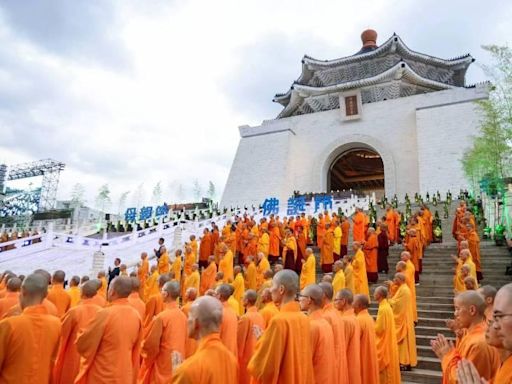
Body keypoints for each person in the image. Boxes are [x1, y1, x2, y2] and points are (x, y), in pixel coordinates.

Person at [248, 270, 315, 383]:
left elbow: (264, 368)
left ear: (281, 289)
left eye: (273, 285)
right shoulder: (304, 318)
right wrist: (265, 339)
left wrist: (261, 343)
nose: (270, 289)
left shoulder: (278, 321)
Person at [75, 276, 143, 383]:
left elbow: (84, 345)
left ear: (112, 292)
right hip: (124, 373)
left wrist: (80, 333)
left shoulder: (105, 314)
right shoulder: (136, 315)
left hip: (103, 374)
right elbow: (136, 348)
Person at [0, 274, 61, 383]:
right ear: (46, 294)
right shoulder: (56, 324)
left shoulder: (9, 324)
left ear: (22, 291)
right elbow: (52, 361)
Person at [431, 291, 500, 383]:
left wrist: (446, 356)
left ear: (472, 310)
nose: (455, 314)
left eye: (457, 309)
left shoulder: (478, 344)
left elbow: (462, 380)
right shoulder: (470, 333)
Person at [172, 296, 238, 383]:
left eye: (189, 317)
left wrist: (177, 373)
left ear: (196, 323)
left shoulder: (189, 369)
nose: (187, 320)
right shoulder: (232, 361)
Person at [53, 281, 102, 384]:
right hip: (93, 352)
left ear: (82, 293)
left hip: (73, 351)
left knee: (71, 375)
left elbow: (62, 331)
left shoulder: (74, 311)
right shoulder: (101, 312)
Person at [139, 281, 187, 384]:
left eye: (162, 291)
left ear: (166, 294)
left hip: (163, 362)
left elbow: (151, 346)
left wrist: (142, 348)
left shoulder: (162, 317)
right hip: (178, 360)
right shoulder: (183, 316)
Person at [299, 284, 335, 384]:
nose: (299, 299)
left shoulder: (311, 325)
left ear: (309, 300)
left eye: (301, 296)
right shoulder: (325, 323)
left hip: (314, 378)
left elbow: (304, 361)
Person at [319, 282, 349, 384]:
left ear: (323, 295)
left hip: (329, 363)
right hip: (337, 360)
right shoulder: (335, 312)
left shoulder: (326, 316)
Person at [388, 273, 417, 371]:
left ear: (400, 279)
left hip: (402, 320)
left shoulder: (404, 290)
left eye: (395, 278)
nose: (394, 279)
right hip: (403, 318)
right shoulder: (402, 288)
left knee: (402, 342)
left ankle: (404, 362)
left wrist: (388, 301)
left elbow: (398, 305)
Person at [237, 290, 265, 384]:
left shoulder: (245, 318)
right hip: (256, 355)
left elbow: (239, 343)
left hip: (246, 359)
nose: (241, 300)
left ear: (246, 301)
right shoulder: (260, 315)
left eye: (242, 298)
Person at [374, 286, 400, 384]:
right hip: (388, 340)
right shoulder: (386, 306)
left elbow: (380, 329)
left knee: (384, 374)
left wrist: (372, 324)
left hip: (384, 342)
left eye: (375, 293)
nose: (373, 294)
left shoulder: (383, 309)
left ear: (379, 295)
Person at [335, 288, 362, 384]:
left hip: (347, 366)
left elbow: (341, 348)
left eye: (336, 300)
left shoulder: (345, 321)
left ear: (343, 301)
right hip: (353, 363)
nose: (334, 302)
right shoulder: (354, 317)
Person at [353, 293, 379, 384]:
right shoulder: (369, 318)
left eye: (353, 302)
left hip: (362, 356)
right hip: (369, 354)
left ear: (358, 305)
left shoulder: (359, 320)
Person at [215, 284, 238, 356]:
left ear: (219, 296)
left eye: (215, 294)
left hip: (219, 355)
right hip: (230, 354)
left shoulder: (218, 313)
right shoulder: (233, 313)